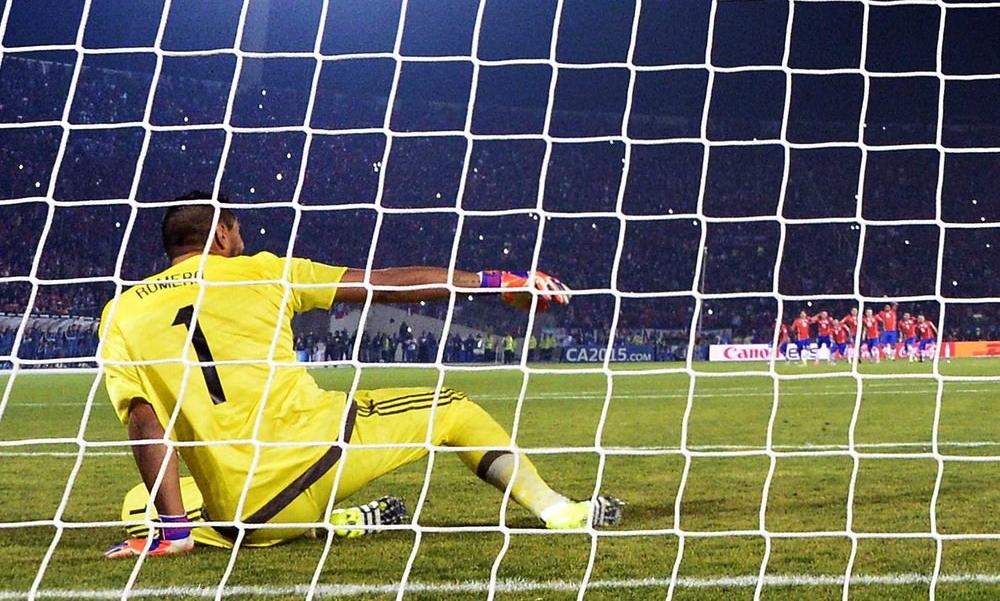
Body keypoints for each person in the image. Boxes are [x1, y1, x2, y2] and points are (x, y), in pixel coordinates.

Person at [99, 192, 622, 559]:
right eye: (237, 232)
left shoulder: (122, 312)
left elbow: (145, 423)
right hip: (317, 454)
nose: (242, 240)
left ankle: (313, 524)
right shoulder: (260, 270)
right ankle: (558, 510)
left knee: (134, 503)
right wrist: (487, 281)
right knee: (455, 407)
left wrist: (172, 531)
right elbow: (383, 285)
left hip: (246, 516)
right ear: (219, 233)